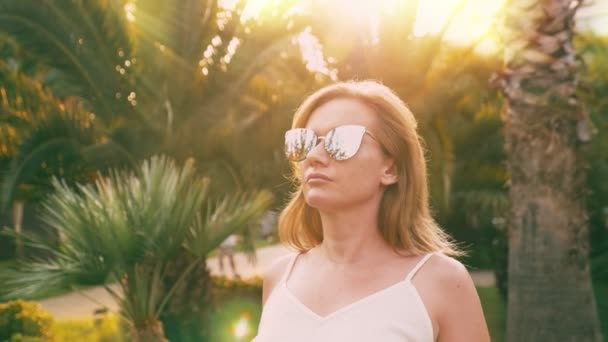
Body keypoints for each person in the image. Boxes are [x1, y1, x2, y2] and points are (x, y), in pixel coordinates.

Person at [251, 81, 490, 342]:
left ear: (391, 169)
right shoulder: (279, 277)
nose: (315, 156)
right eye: (304, 141)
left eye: (340, 140)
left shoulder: (441, 281)